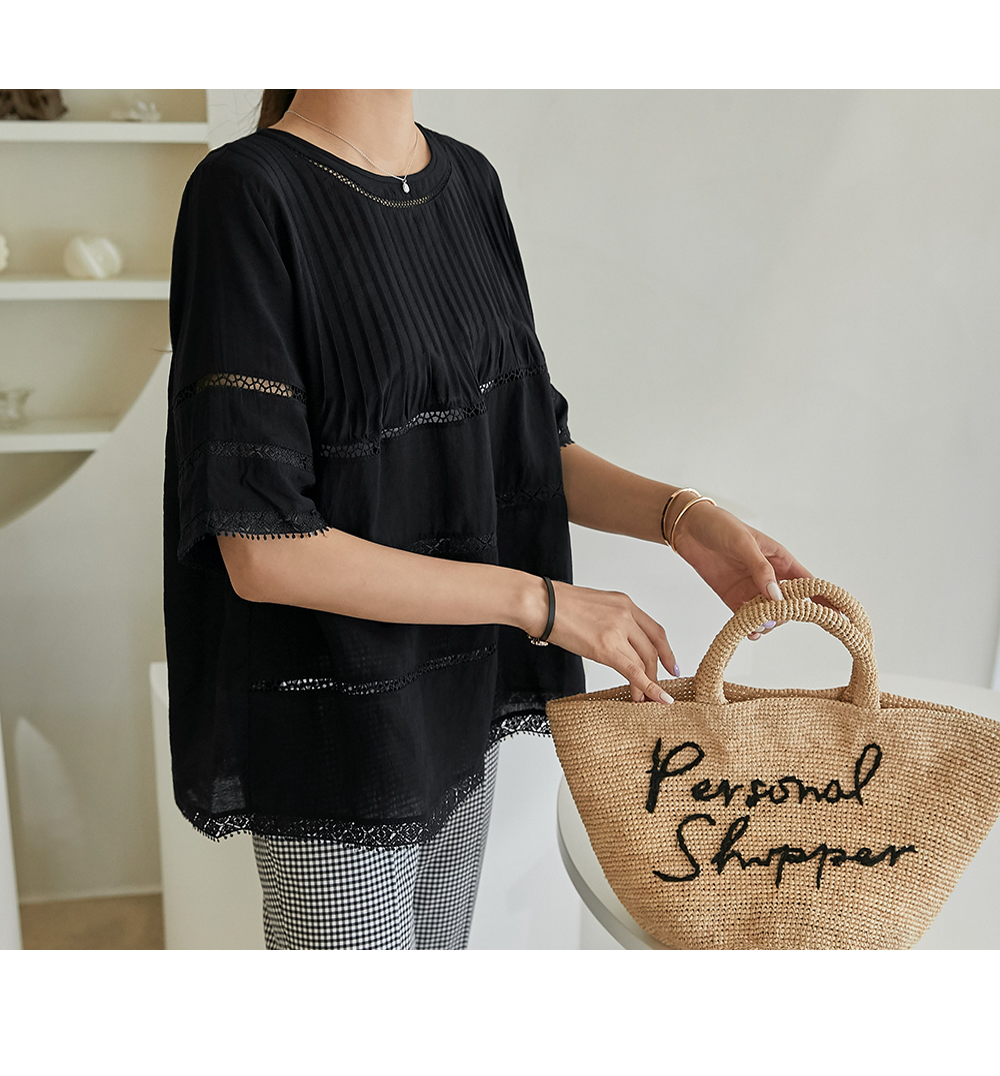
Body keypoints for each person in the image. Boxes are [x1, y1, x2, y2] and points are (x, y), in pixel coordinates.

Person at [163, 88, 812, 950]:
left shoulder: (468, 181)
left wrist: (682, 517)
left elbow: (524, 450)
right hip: (338, 731)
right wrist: (542, 602)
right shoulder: (245, 191)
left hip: (455, 698)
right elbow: (264, 548)